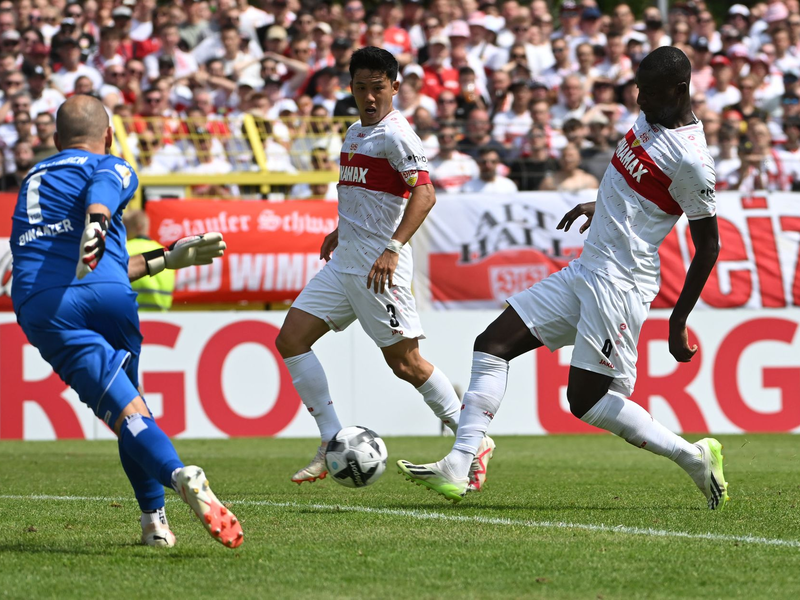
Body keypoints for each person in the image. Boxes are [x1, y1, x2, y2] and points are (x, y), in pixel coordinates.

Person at [398, 46, 729, 511]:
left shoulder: (692, 160)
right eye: (637, 88)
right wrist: (604, 207)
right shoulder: (652, 118)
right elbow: (642, 189)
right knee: (492, 344)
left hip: (620, 281)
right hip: (587, 267)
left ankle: (694, 457)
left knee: (585, 401)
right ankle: (461, 462)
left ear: (679, 91)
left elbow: (709, 245)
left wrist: (678, 321)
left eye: (649, 93)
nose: (639, 100)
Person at [9, 95, 242, 548]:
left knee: (127, 413)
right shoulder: (112, 165)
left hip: (44, 304)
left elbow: (97, 258)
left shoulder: (30, 180)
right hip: (106, 295)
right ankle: (156, 515)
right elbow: (106, 180)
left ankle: (164, 502)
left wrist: (164, 259)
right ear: (110, 136)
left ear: (56, 141)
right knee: (133, 411)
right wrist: (98, 220)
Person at [275, 47, 495, 490]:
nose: (369, 97)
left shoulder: (398, 136)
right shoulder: (355, 132)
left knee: (407, 364)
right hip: (347, 263)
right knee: (291, 339)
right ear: (351, 88)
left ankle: (473, 439)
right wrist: (342, 230)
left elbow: (425, 195)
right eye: (361, 88)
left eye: (378, 88)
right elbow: (366, 196)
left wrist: (393, 247)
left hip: (379, 269)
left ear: (395, 87)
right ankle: (331, 438)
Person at [123, 210, 176, 311]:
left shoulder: (124, 250)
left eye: (125, 227)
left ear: (138, 227)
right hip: (162, 318)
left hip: (132, 316)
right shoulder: (166, 252)